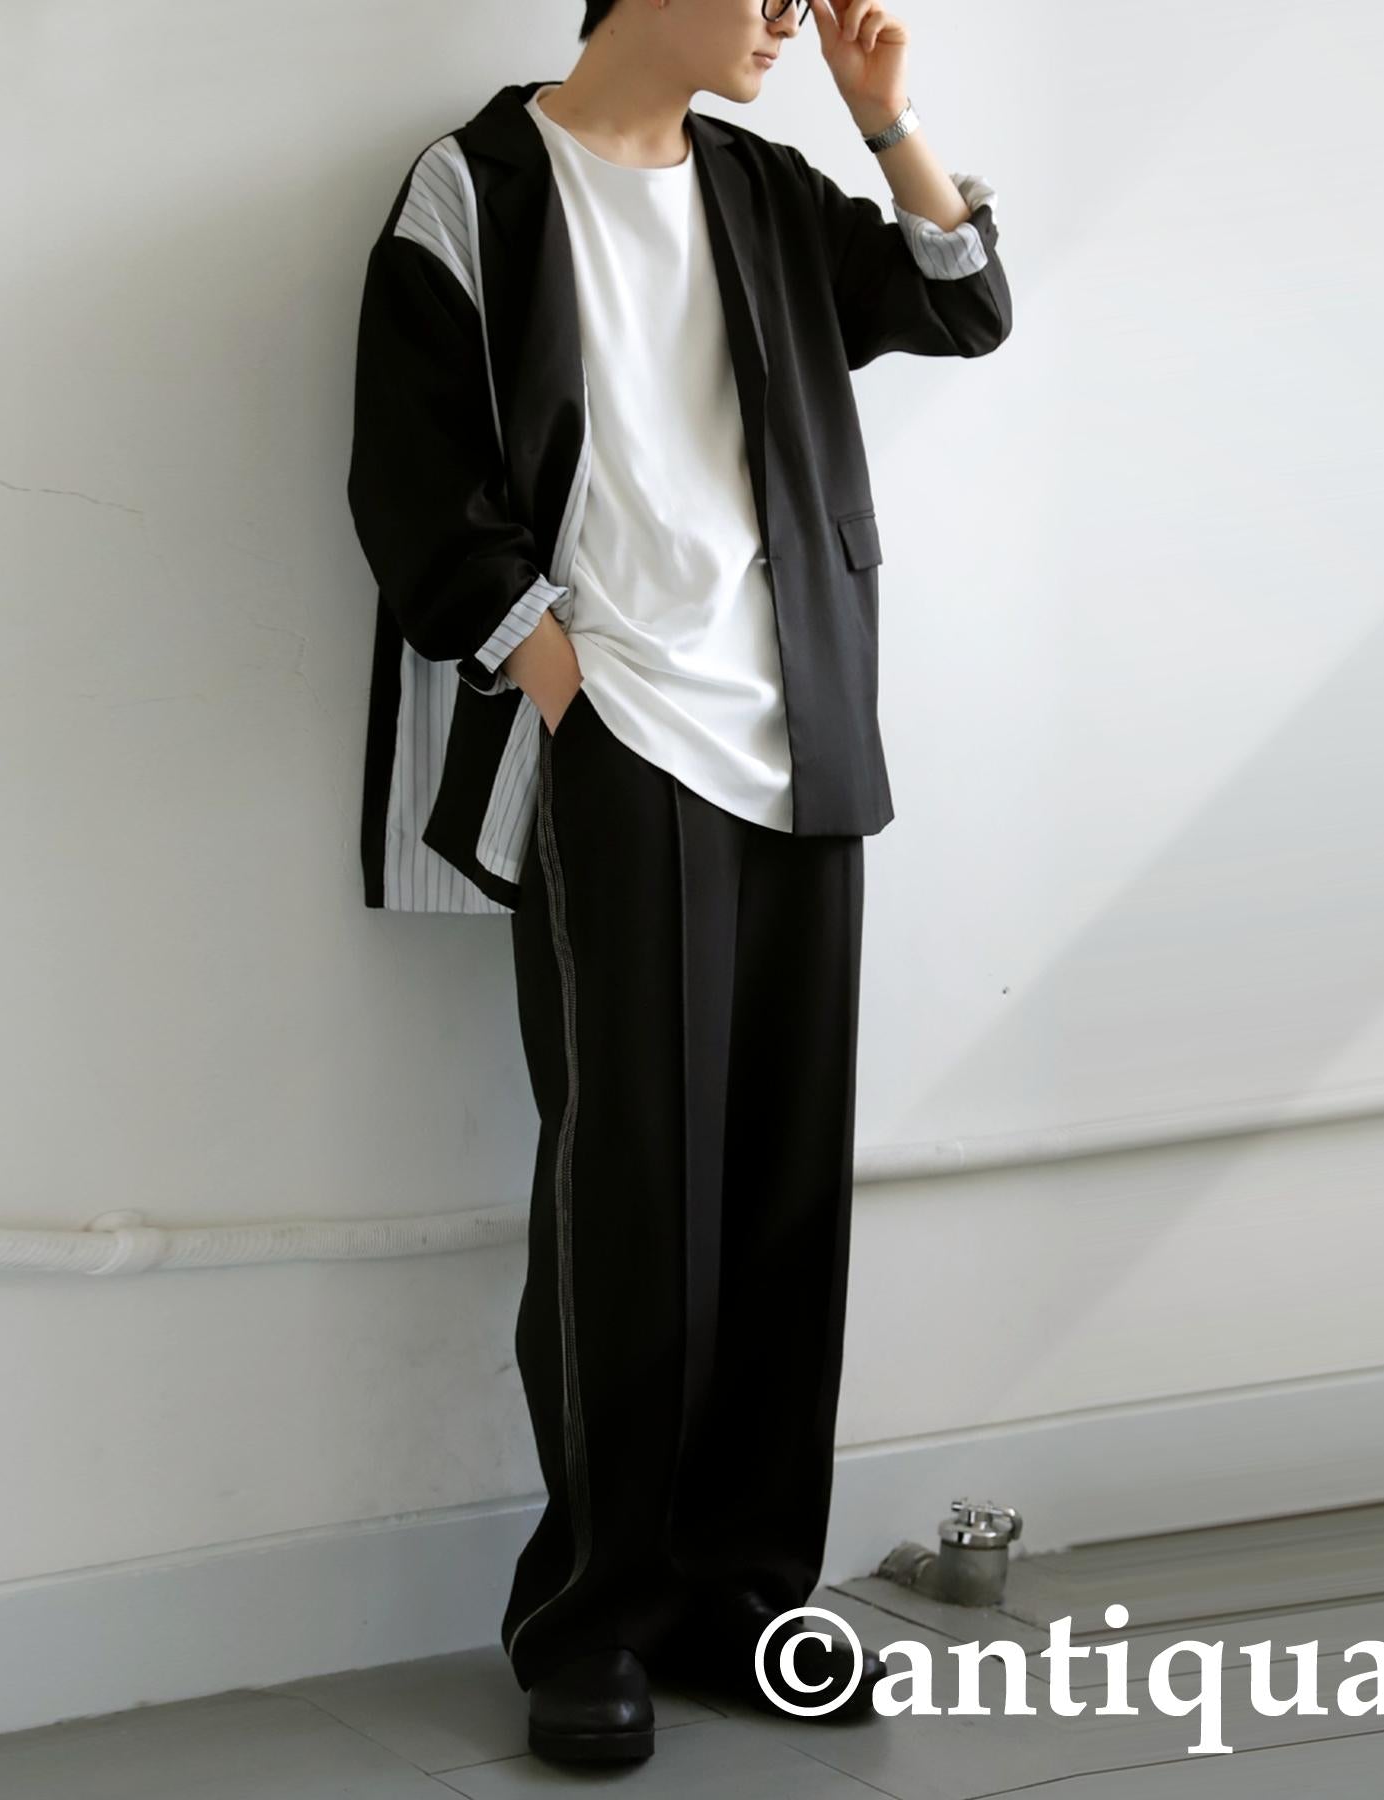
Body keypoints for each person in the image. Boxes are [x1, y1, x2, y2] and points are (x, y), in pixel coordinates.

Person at [346, 0, 1012, 1767]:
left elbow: (965, 306)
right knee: (631, 1189)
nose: (792, 16)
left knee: (783, 1188)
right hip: (619, 739)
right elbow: (410, 475)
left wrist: (887, 120)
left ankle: (746, 1597)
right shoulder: (478, 186)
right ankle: (592, 1616)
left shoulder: (772, 189)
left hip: (803, 733)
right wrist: (549, 668)